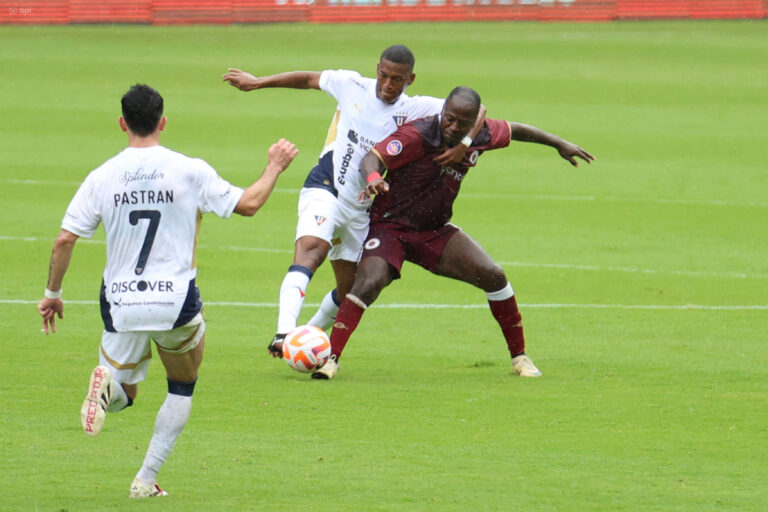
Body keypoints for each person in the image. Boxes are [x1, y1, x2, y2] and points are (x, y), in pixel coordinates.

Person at [36, 84, 298, 498]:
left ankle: (109, 390)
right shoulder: (188, 170)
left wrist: (52, 292)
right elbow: (248, 204)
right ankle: (144, 480)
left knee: (127, 391)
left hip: (120, 301)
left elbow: (64, 241)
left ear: (122, 123)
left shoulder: (101, 176)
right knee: (182, 383)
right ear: (163, 122)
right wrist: (274, 166)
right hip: (174, 300)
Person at [311, 86, 594, 380]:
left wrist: (559, 143)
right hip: (390, 227)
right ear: (442, 111)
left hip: (433, 231)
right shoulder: (418, 134)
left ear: (474, 122)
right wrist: (373, 178)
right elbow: (374, 157)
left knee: (494, 275)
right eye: (449, 118)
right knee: (369, 281)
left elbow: (517, 130)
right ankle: (331, 360)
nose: (453, 126)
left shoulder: (480, 136)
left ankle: (520, 357)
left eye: (462, 122)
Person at [222, 45, 484, 357]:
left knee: (351, 291)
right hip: (326, 186)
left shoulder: (418, 108)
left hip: (362, 208)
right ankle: (284, 335)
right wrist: (258, 81)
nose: (388, 85)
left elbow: (479, 112)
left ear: (410, 79)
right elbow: (307, 78)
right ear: (377, 69)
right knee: (311, 251)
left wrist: (464, 143)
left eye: (397, 79)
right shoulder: (350, 85)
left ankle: (310, 335)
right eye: (384, 76)